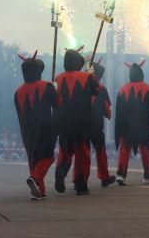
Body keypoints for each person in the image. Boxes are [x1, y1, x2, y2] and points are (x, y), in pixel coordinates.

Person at [12, 51, 59, 200]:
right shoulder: (46, 86)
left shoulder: (17, 91)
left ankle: (39, 190)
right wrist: (55, 89)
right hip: (44, 126)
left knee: (33, 158)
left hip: (26, 130)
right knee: (47, 156)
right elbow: (58, 104)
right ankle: (35, 177)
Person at [53, 47, 99, 195]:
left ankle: (61, 170)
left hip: (63, 121)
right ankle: (81, 185)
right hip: (82, 121)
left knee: (65, 150)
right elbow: (96, 90)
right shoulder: (86, 77)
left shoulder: (58, 78)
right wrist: (91, 74)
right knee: (82, 153)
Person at [115, 60, 149, 185]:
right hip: (141, 124)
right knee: (145, 149)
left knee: (124, 148)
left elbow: (118, 109)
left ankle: (120, 175)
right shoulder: (147, 87)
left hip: (125, 124)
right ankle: (148, 176)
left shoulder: (122, 89)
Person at [89, 60, 117, 188]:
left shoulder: (81, 85)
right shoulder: (102, 89)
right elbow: (107, 111)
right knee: (100, 153)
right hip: (96, 126)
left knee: (80, 152)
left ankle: (79, 179)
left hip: (80, 125)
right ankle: (104, 177)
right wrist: (108, 114)